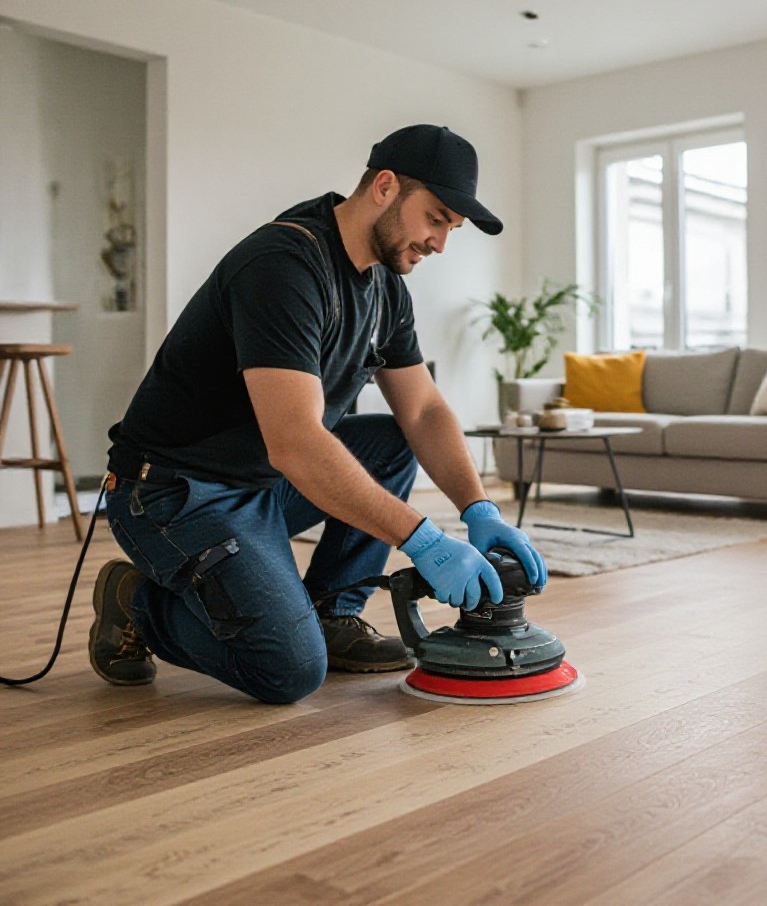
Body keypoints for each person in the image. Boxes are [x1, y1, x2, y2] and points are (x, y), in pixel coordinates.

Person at [89, 124, 546, 704]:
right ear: (385, 187)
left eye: (450, 230)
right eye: (435, 219)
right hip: (175, 493)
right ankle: (137, 600)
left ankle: (334, 610)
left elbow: (424, 410)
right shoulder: (283, 265)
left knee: (391, 440)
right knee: (287, 670)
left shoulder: (386, 287)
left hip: (263, 482)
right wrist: (422, 538)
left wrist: (477, 508)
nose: (439, 244)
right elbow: (298, 443)